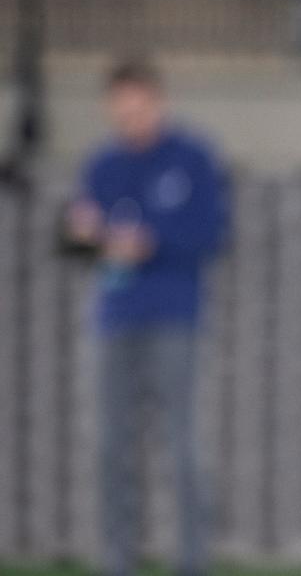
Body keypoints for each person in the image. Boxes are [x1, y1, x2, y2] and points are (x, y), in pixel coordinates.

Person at [65, 59, 228, 576]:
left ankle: (192, 561)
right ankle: (117, 562)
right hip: (113, 317)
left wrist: (152, 242)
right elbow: (77, 238)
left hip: (175, 316)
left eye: (139, 107)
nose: (130, 117)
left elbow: (213, 233)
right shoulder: (101, 164)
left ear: (158, 101)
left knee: (182, 446)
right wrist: (81, 233)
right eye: (122, 109)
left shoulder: (192, 158)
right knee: (110, 447)